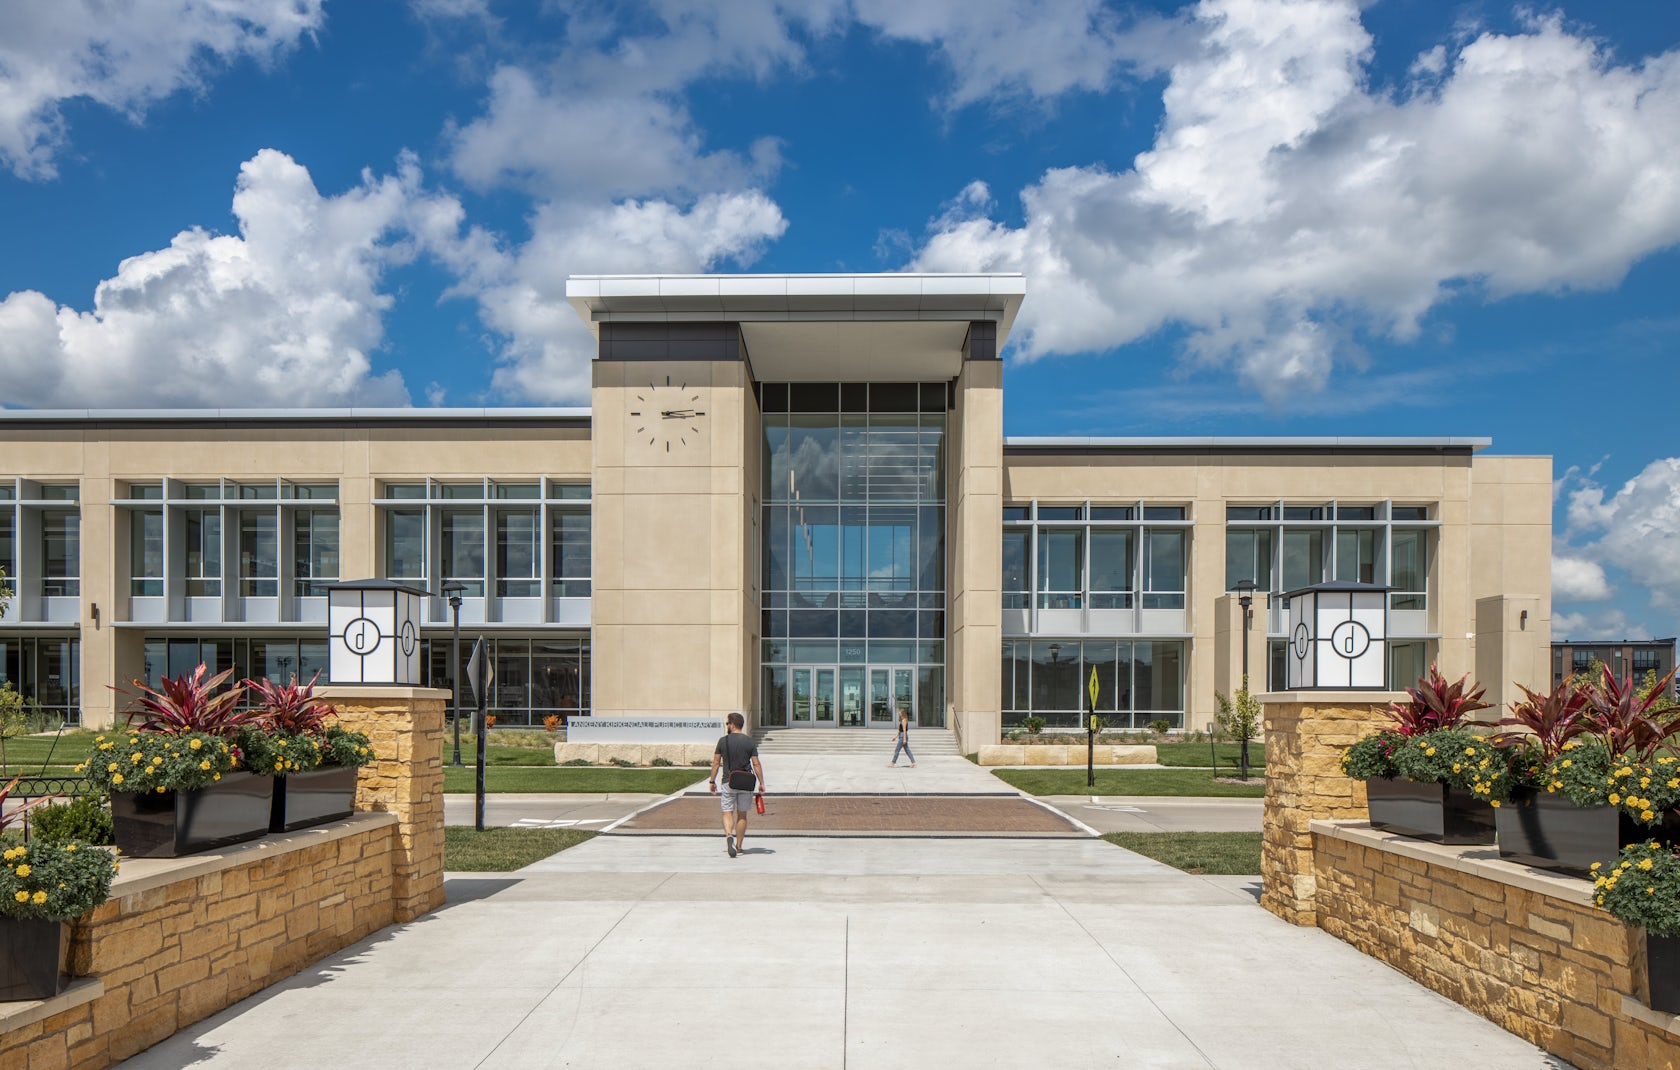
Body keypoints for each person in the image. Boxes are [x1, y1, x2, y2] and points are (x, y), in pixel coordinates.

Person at [709, 712, 765, 858]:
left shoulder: (723, 741)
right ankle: (739, 846)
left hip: (729, 781)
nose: (727, 726)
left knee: (727, 811)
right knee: (742, 814)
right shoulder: (749, 741)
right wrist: (761, 782)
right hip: (746, 783)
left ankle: (729, 835)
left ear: (732, 724)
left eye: (727, 723)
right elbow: (756, 764)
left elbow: (716, 763)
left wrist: (712, 781)